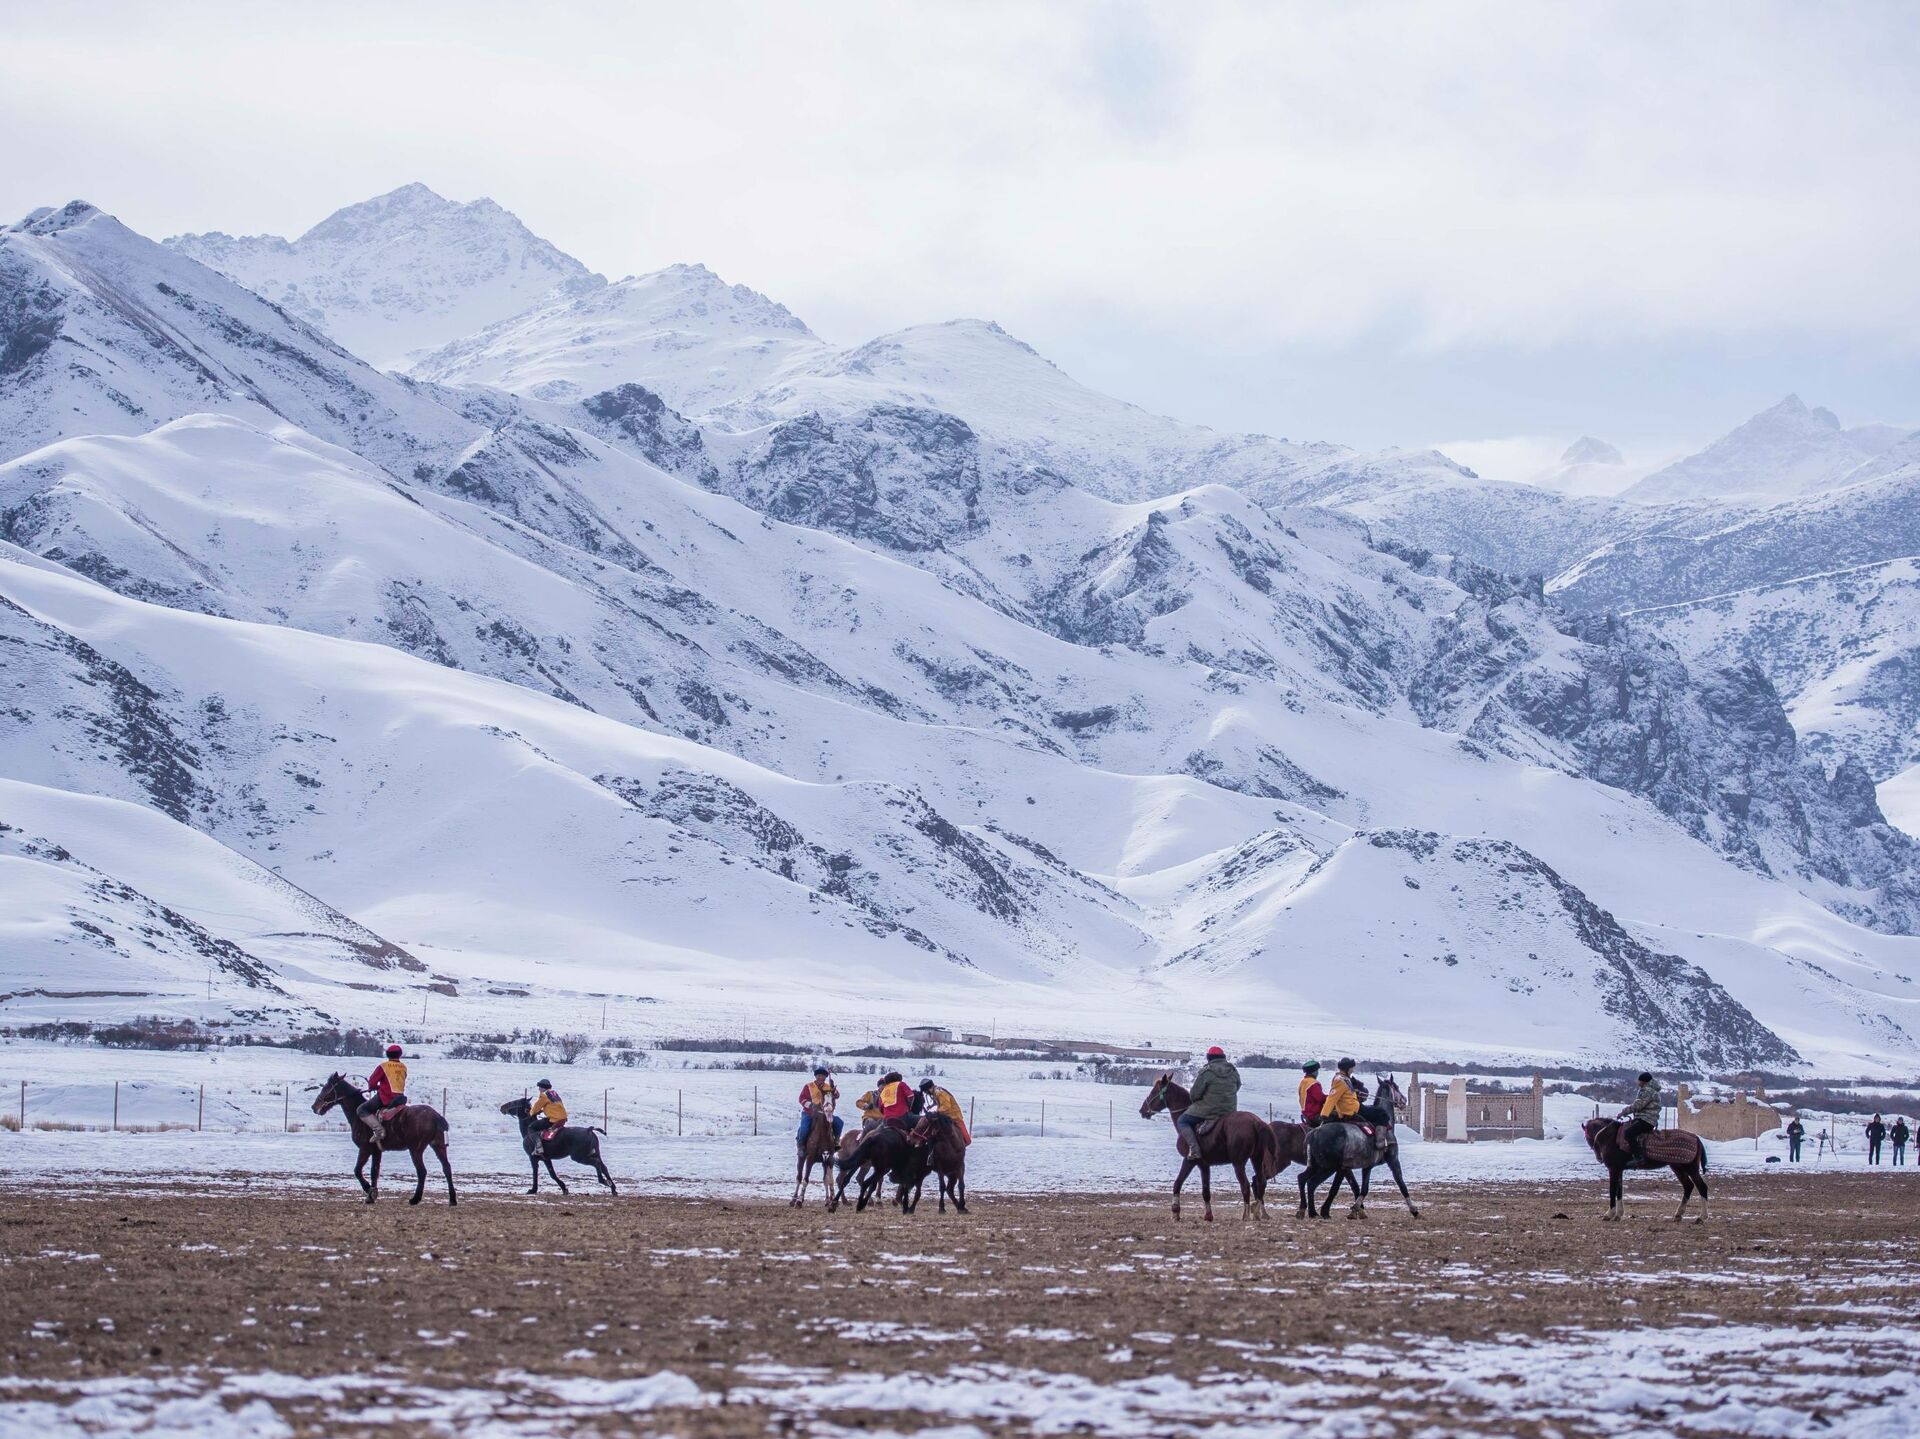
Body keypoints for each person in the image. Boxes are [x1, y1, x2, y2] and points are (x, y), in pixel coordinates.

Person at [1178, 1046, 1241, 1155]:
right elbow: (1237, 1086)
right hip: (1230, 1110)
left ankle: (1194, 1149)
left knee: (1182, 1121)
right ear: (1223, 1057)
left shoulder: (1207, 1072)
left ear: (1209, 1057)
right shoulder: (1233, 1071)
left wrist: (1199, 1100)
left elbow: (1194, 1094)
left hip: (1209, 1110)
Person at [358, 1044, 409, 1146]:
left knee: (362, 1109)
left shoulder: (383, 1066)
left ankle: (379, 1131)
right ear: (399, 1054)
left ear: (388, 1054)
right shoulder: (403, 1067)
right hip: (400, 1098)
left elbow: (372, 1082)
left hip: (386, 1097)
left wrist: (375, 1087)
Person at [797, 1066, 843, 1151]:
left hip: (825, 1113)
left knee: (839, 1122)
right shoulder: (808, 1086)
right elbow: (802, 1099)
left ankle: (836, 1141)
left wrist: (833, 1088)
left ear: (825, 1077)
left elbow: (836, 1096)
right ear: (815, 1076)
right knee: (804, 1128)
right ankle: (801, 1145)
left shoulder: (828, 1087)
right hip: (809, 1112)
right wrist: (811, 1105)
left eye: (823, 1076)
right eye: (819, 1075)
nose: (821, 1077)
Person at [1619, 1072, 1660, 1165]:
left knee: (1628, 1133)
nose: (1637, 1082)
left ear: (1643, 1081)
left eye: (1639, 1080)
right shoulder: (1649, 1090)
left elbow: (1638, 1105)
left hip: (1647, 1119)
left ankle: (1638, 1157)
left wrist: (1623, 1112)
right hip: (1645, 1118)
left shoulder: (1647, 1091)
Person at [918, 1078, 971, 1146]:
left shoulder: (939, 1093)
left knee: (967, 1140)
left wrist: (936, 1112)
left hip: (954, 1117)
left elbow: (946, 1106)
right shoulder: (937, 1092)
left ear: (928, 1088)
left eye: (925, 1091)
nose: (926, 1093)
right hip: (948, 1117)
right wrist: (932, 1107)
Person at [528, 1078, 567, 1158]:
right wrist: (543, 1110)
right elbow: (554, 1106)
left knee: (531, 1127)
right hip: (562, 1118)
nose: (539, 1089)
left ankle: (539, 1147)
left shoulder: (544, 1095)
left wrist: (531, 1113)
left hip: (554, 1119)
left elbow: (535, 1108)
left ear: (543, 1088)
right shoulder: (554, 1093)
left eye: (540, 1087)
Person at [1318, 1058, 1362, 1125]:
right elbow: (1332, 1098)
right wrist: (1324, 1114)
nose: (1353, 1070)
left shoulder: (1345, 1078)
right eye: (1351, 1068)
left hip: (1352, 1107)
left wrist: (1355, 1092)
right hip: (1349, 1110)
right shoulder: (1339, 1080)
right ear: (1347, 1069)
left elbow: (1345, 1092)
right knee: (1378, 1113)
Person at [1298, 1061, 1326, 1127]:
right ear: (1314, 1072)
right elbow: (1321, 1098)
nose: (1317, 1073)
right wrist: (1331, 1098)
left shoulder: (1303, 1082)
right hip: (1314, 1114)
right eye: (1317, 1071)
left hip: (1306, 1113)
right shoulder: (1313, 1083)